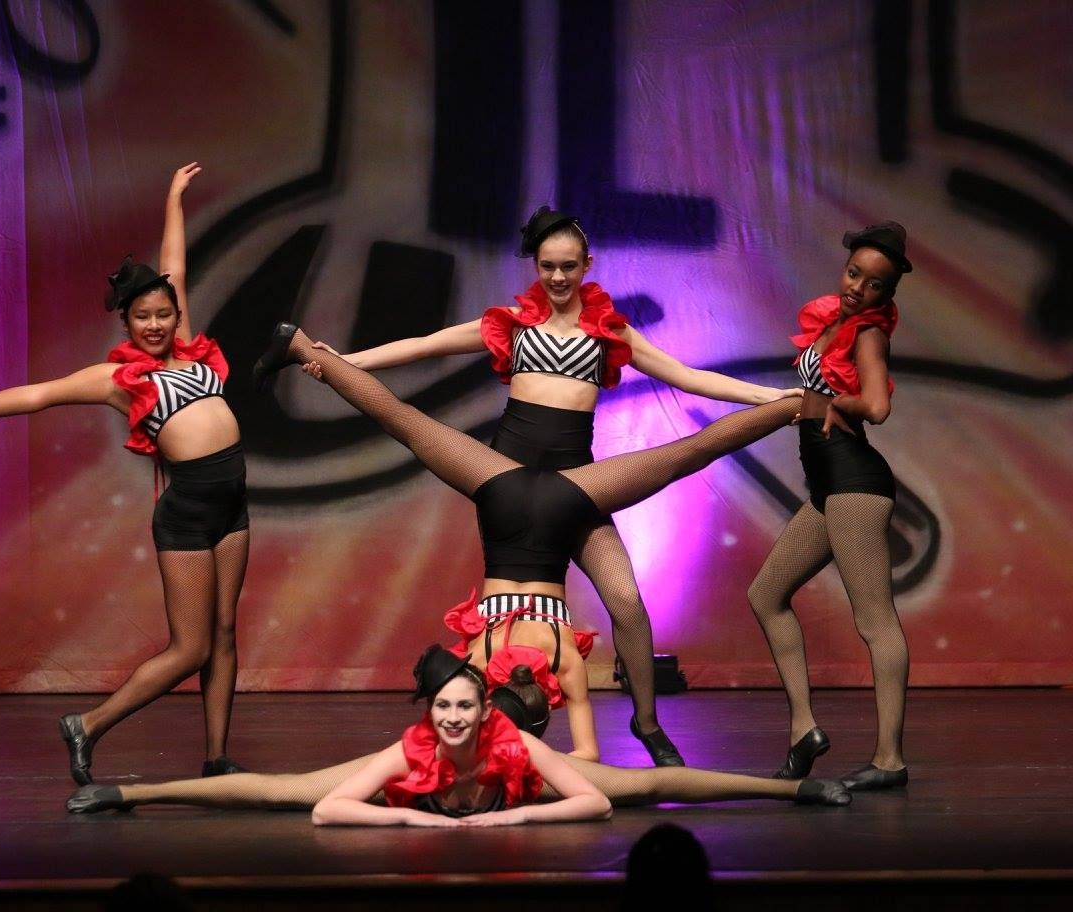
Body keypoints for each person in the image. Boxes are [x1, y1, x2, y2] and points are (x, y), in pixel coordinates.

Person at [311, 206, 800, 766]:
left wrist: (769, 398)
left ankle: (647, 724)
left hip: (575, 485)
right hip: (509, 479)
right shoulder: (513, 324)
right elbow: (426, 344)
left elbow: (688, 376)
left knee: (627, 602)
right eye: (548, 267)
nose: (559, 278)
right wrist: (343, 362)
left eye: (569, 266)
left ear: (588, 265)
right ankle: (489, 714)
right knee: (505, 597)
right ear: (535, 265)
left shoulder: (609, 331)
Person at [0, 164, 249, 783]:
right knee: (190, 647)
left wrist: (172, 195)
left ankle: (217, 758)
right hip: (190, 511)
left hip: (235, 505)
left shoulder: (191, 347)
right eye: (142, 316)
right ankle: (87, 725)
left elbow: (177, 265)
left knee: (224, 635)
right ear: (126, 322)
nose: (156, 324)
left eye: (163, 313)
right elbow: (37, 396)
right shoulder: (117, 380)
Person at [66, 645, 851, 821]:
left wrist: (509, 818)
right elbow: (326, 811)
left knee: (645, 785)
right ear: (427, 712)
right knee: (279, 791)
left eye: (464, 709)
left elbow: (597, 807)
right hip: (424, 795)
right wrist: (409, 818)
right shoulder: (408, 749)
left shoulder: (514, 740)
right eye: (441, 709)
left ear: (484, 712)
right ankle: (132, 790)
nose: (452, 719)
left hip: (522, 787)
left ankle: (791, 785)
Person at [746, 222, 912, 791]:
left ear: (886, 297)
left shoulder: (867, 334)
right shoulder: (831, 322)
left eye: (873, 284)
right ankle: (803, 728)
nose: (857, 287)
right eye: (853, 273)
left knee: (875, 623)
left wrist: (829, 403)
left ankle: (890, 760)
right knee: (766, 594)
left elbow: (876, 407)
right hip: (828, 488)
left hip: (855, 485)